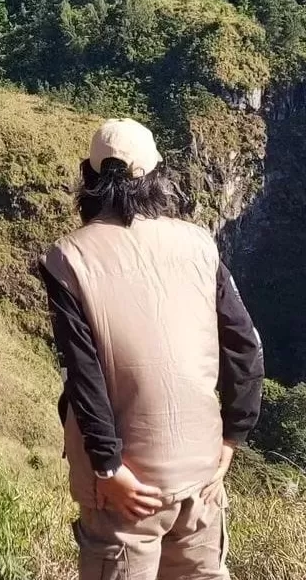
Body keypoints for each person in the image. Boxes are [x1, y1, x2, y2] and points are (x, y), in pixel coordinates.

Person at [38, 119, 264, 580]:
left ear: (90, 176)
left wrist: (108, 467)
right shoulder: (199, 243)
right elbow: (245, 346)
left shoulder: (68, 258)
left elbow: (86, 374)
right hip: (202, 472)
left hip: (126, 489)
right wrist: (231, 437)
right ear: (156, 176)